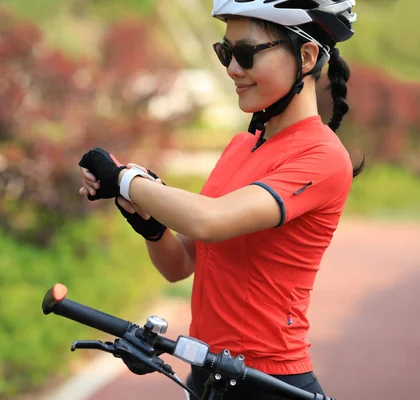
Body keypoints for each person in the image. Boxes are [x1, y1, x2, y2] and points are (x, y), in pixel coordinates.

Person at [77, 0, 364, 398]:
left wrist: (126, 178)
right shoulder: (241, 146)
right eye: (226, 52)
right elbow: (180, 264)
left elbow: (208, 220)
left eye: (245, 54)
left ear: (308, 54)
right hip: (208, 375)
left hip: (269, 382)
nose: (232, 69)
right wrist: (145, 218)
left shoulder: (322, 156)